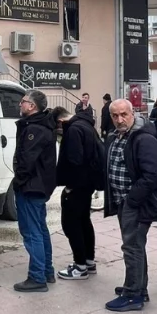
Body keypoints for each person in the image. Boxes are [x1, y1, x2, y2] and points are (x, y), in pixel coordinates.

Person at [104, 99, 157, 312]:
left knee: (132, 247)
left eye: (124, 114)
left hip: (134, 203)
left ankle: (132, 295)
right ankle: (138, 287)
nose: (120, 119)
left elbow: (152, 175)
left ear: (132, 113)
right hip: (122, 201)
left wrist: (132, 200)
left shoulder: (144, 139)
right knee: (135, 245)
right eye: (115, 116)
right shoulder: (116, 136)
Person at [12, 90, 58, 293]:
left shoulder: (35, 129)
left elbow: (26, 160)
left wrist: (19, 181)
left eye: (23, 102)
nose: (20, 104)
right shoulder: (40, 126)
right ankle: (46, 270)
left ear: (32, 106)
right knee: (40, 230)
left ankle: (37, 276)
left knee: (32, 233)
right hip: (38, 186)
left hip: (31, 187)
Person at [53, 105, 104, 280]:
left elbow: (75, 159)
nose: (58, 133)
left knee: (71, 225)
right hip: (89, 183)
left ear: (60, 122)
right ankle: (89, 262)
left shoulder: (73, 129)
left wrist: (70, 186)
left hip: (78, 185)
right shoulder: (86, 125)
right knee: (84, 222)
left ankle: (80, 266)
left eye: (57, 129)